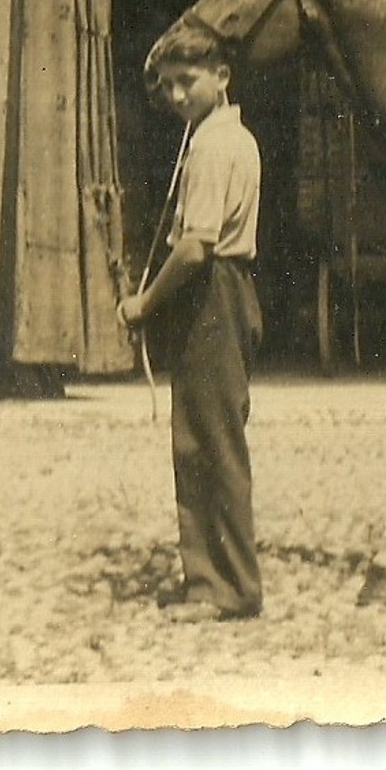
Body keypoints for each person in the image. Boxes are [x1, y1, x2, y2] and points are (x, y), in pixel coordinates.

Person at [119, 31, 264, 623]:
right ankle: (210, 577)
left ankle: (229, 586)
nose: (177, 95)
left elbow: (196, 245)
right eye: (169, 85)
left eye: (189, 81)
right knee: (202, 439)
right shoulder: (231, 137)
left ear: (222, 76)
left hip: (213, 296)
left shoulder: (211, 148)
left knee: (212, 444)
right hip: (223, 294)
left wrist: (145, 303)